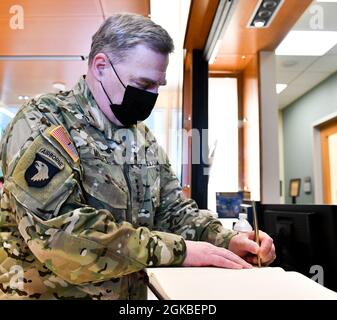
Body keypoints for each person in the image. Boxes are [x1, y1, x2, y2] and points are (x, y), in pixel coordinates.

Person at [0, 13, 275, 300]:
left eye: (158, 85)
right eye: (143, 85)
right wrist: (180, 251)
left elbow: (174, 212)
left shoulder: (143, 139)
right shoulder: (42, 123)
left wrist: (227, 240)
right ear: (101, 66)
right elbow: (62, 238)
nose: (152, 95)